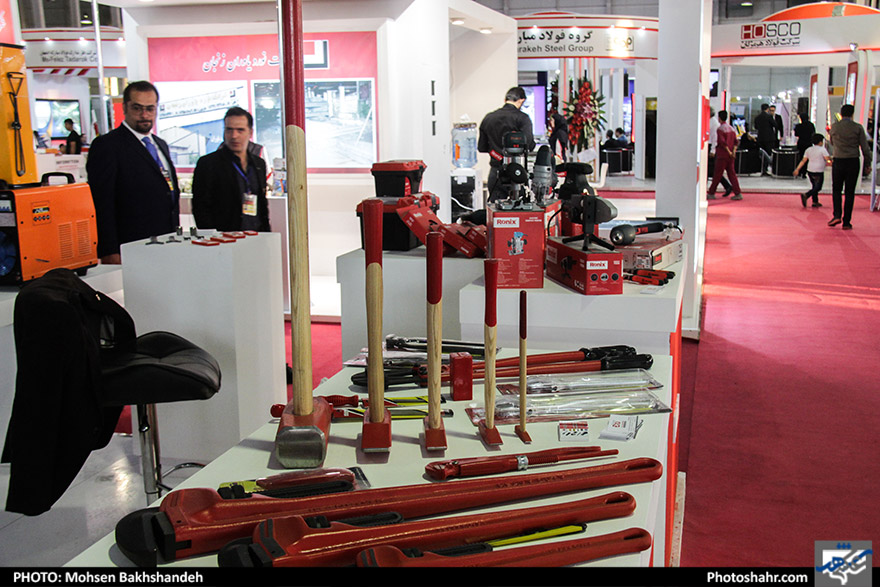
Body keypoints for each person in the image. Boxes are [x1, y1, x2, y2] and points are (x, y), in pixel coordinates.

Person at [86, 80, 179, 264]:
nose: (144, 115)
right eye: (137, 108)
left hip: (165, 244)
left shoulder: (160, 145)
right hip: (130, 247)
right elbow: (102, 203)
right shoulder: (107, 146)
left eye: (150, 109)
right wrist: (109, 251)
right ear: (124, 108)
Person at [192, 107, 270, 232]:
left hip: (255, 235)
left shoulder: (258, 164)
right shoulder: (208, 164)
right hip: (223, 237)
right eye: (229, 130)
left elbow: (262, 206)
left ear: (250, 132)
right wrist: (213, 237)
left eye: (240, 130)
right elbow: (200, 208)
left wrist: (266, 234)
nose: (234, 136)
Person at [478, 86, 536, 202]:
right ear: (521, 100)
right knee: (518, 208)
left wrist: (496, 152)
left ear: (505, 100)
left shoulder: (489, 118)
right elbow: (529, 145)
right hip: (516, 172)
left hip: (495, 172)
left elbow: (482, 147)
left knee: (495, 208)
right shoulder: (522, 118)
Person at [827, 104, 872, 230]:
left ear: (841, 114)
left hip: (838, 160)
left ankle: (837, 215)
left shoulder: (835, 127)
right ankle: (846, 221)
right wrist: (867, 163)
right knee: (849, 191)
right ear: (852, 114)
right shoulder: (857, 127)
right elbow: (865, 147)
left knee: (836, 189)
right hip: (852, 161)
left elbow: (832, 142)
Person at [707, 110, 742, 200]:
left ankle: (711, 192)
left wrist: (728, 152)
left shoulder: (720, 129)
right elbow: (736, 142)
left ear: (719, 118)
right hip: (730, 156)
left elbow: (722, 143)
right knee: (732, 174)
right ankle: (738, 192)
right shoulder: (731, 129)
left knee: (717, 174)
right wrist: (732, 152)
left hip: (722, 155)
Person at [793, 133, 830, 208]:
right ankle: (807, 195)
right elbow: (827, 159)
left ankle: (815, 201)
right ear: (820, 142)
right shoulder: (823, 150)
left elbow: (803, 160)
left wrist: (797, 169)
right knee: (818, 187)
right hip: (819, 170)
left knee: (814, 186)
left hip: (810, 170)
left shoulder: (809, 149)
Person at [708, 108, 732, 197]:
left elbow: (715, 138)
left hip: (712, 147)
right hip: (711, 146)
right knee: (713, 170)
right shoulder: (712, 122)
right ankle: (727, 186)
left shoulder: (714, 124)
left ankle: (726, 186)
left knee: (713, 170)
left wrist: (713, 150)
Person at [753, 103, 775, 173]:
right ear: (767, 109)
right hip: (769, 138)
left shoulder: (757, 117)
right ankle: (766, 168)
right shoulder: (769, 117)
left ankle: (762, 169)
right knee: (768, 154)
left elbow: (756, 127)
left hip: (760, 138)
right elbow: (775, 124)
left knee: (762, 154)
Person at [793, 112, 816, 178]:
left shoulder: (798, 126)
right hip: (808, 143)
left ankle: (800, 171)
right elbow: (813, 133)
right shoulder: (811, 125)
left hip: (801, 143)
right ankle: (805, 172)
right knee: (807, 158)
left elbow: (796, 134)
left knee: (801, 157)